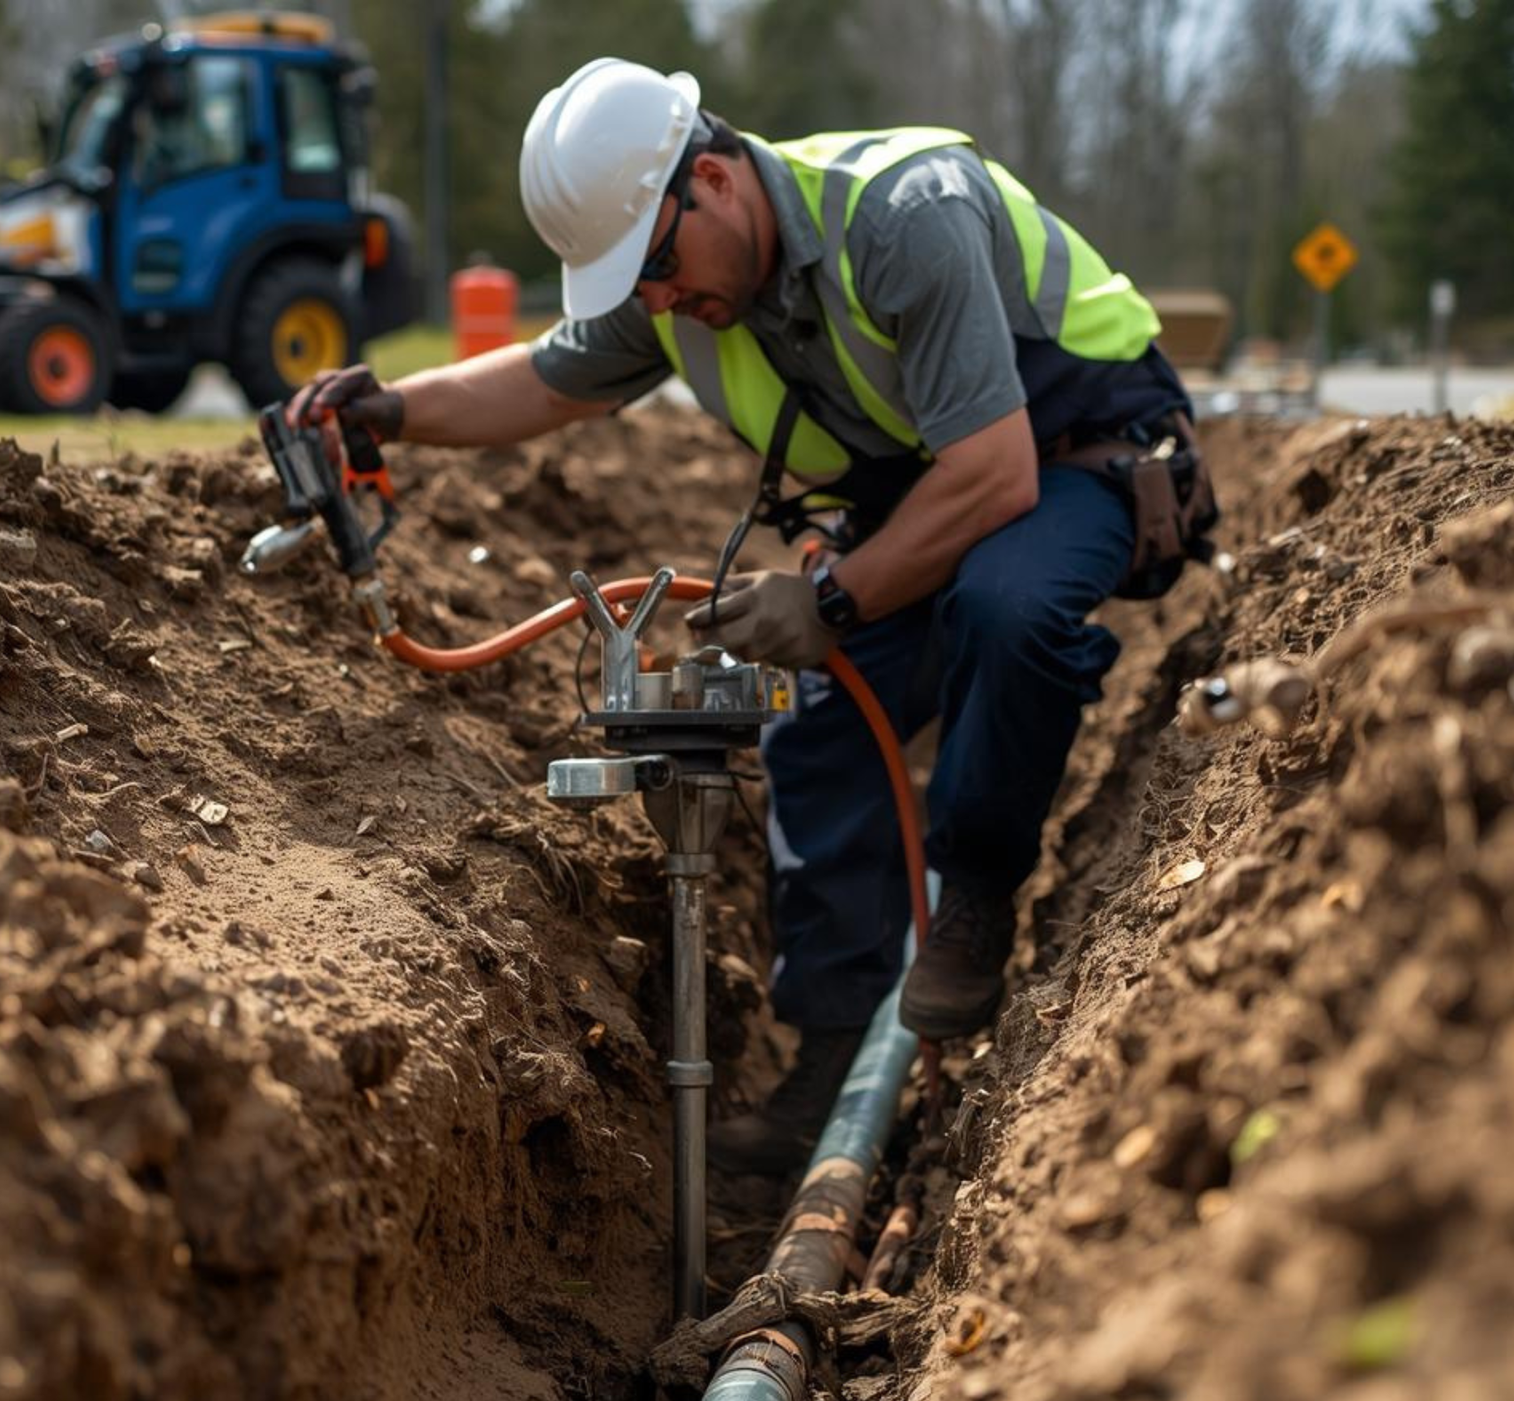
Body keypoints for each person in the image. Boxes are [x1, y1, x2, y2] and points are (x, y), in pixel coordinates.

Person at [288, 58, 1217, 1177]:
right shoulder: (679, 285)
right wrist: (387, 410)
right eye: (640, 287)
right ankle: (827, 1063)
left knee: (1006, 610)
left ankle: (972, 898)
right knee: (819, 721)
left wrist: (829, 595)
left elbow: (994, 476)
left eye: (661, 269)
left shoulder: (902, 217)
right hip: (932, 485)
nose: (661, 302)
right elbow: (545, 382)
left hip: (1075, 453)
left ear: (716, 180)